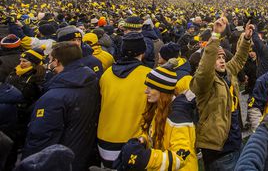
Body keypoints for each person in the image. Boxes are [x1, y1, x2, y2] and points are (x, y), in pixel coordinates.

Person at [22, 42, 99, 171]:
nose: (49, 63)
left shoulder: (54, 97)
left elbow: (41, 138)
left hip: (59, 159)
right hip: (80, 152)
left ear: (57, 61)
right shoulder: (91, 80)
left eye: (51, 60)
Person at [190, 17, 253, 171]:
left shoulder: (228, 72)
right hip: (218, 147)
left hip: (234, 140)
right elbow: (205, 69)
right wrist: (215, 36)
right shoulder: (205, 82)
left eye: (223, 57)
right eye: (217, 58)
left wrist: (246, 39)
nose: (222, 61)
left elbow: (239, 59)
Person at [113, 63, 197, 170]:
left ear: (162, 91)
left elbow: (181, 157)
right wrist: (142, 141)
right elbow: (155, 137)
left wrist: (147, 158)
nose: (146, 91)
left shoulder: (178, 117)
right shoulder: (159, 108)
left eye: (150, 87)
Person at [97, 32, 152, 167]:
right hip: (133, 143)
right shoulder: (148, 75)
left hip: (104, 141)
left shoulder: (106, 74)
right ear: (143, 52)